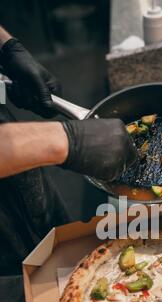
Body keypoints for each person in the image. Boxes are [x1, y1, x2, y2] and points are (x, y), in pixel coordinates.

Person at [0, 26, 137, 275]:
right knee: (22, 287)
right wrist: (63, 140)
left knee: (62, 261)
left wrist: (5, 47)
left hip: (15, 153)